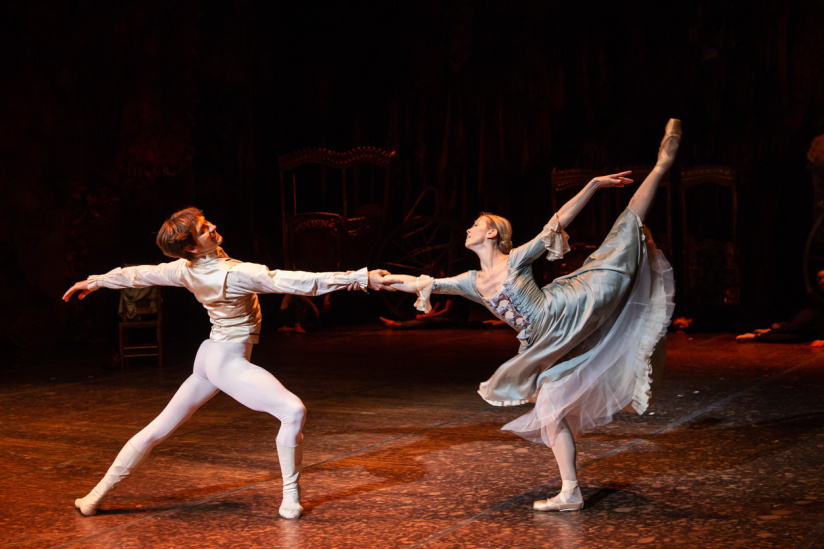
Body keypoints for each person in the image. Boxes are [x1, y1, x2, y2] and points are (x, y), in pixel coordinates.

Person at [385, 120, 680, 511]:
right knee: (551, 411)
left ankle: (661, 165)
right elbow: (429, 284)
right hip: (543, 345)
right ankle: (570, 491)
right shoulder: (471, 281)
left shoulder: (515, 261)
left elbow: (556, 224)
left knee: (621, 238)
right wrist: (381, 280)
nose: (470, 228)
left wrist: (592, 185)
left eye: (477, 224)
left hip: (570, 307)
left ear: (491, 235)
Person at [63, 207, 398, 519]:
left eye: (208, 223)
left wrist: (96, 281)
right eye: (205, 229)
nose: (213, 228)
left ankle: (94, 498)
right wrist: (361, 277)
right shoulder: (235, 274)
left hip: (210, 354)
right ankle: (290, 496)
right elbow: (300, 283)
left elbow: (141, 274)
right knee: (292, 411)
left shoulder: (184, 269)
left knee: (158, 430)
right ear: (192, 248)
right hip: (225, 361)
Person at [736, 268, 824, 346]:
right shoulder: (813, 295)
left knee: (794, 338)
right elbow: (803, 313)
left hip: (818, 328)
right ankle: (767, 333)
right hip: (809, 321)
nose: (822, 281)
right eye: (819, 278)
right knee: (794, 328)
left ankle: (756, 337)